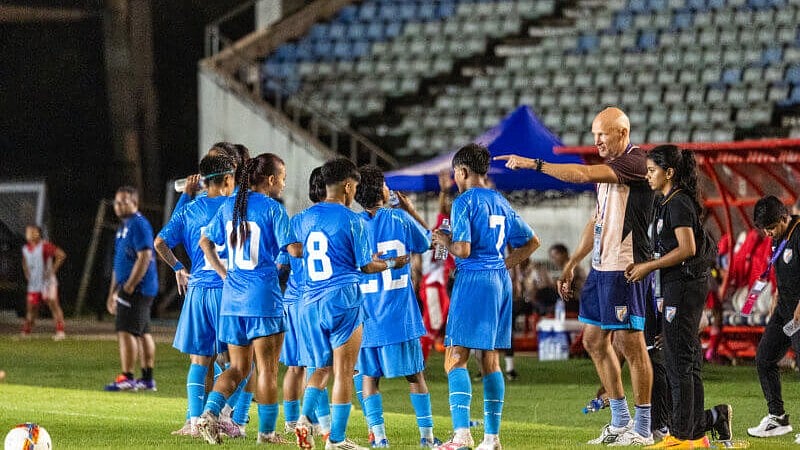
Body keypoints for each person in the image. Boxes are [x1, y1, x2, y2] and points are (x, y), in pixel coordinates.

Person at [496, 107, 655, 445]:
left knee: (631, 345)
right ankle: (619, 419)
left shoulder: (635, 162)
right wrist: (572, 263)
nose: (596, 140)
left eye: (602, 134)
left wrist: (534, 164)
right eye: (594, 134)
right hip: (601, 266)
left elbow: (580, 176)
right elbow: (595, 222)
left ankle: (643, 428)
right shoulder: (612, 171)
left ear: (622, 134)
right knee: (593, 341)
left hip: (625, 266)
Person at [431, 143, 540, 450]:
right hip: (499, 281)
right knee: (489, 360)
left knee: (455, 358)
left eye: (455, 172)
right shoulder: (500, 200)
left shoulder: (464, 201)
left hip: (475, 279)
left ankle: (462, 436)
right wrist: (503, 265)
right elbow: (532, 242)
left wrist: (444, 239)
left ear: (462, 172)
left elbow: (462, 249)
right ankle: (492, 439)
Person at [292, 158, 404, 450]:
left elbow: (293, 250)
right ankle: (337, 440)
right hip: (342, 299)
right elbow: (366, 266)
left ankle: (304, 420)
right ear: (348, 185)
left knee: (319, 368)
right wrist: (392, 262)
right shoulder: (353, 220)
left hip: (308, 302)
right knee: (344, 371)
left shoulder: (301, 218)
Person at [625, 145, 732, 447]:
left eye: (651, 170)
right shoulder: (667, 201)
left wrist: (648, 267)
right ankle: (694, 433)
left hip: (685, 286)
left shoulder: (679, 203)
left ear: (669, 172)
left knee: (679, 362)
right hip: (677, 286)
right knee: (683, 359)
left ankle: (682, 436)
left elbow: (687, 249)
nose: (647, 176)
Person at [195, 153, 299, 445]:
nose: (283, 184)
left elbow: (205, 241)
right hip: (263, 299)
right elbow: (293, 251)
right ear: (270, 179)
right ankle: (266, 434)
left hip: (232, 300)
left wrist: (224, 274)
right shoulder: (273, 209)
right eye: (282, 178)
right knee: (267, 370)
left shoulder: (229, 206)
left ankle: (209, 414)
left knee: (238, 368)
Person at [353, 165, 440, 448]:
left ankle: (379, 439)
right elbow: (430, 242)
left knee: (369, 378)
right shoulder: (399, 218)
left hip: (366, 317)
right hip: (399, 315)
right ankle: (426, 438)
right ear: (382, 190)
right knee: (415, 376)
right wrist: (411, 210)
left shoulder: (352, 224)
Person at [153, 154, 235, 436]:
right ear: (227, 179)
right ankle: (224, 418)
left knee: (200, 361)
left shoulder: (190, 209)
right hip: (229, 290)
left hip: (198, 290)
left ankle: (193, 422)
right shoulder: (237, 207)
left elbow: (160, 241)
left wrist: (178, 266)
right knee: (236, 361)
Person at [279, 167, 333, 437]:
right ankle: (317, 424)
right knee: (319, 364)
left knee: (294, 366)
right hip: (316, 299)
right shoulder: (336, 220)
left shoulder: (296, 220)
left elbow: (281, 263)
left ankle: (291, 422)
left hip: (291, 299)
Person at [746, 195, 800, 441]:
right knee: (764, 358)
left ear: (783, 218)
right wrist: (778, 297)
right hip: (785, 311)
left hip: (799, 311)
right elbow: (784, 271)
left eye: (771, 228)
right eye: (764, 229)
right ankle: (777, 418)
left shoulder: (798, 235)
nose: (768, 234)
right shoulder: (778, 239)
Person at [104, 186, 159, 392]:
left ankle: (127, 377)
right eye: (117, 202)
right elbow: (119, 263)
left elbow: (144, 256)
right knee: (142, 331)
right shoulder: (123, 227)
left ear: (135, 203)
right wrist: (112, 292)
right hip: (130, 288)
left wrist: (129, 286)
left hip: (137, 288)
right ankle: (147, 379)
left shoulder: (139, 224)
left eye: (124, 201)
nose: (118, 206)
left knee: (126, 330)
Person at [21, 224, 67, 339]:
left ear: (38, 233)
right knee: (31, 307)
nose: (29, 234)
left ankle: (60, 331)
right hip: (34, 283)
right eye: (28, 232)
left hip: (47, 282)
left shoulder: (45, 246)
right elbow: (24, 262)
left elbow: (61, 255)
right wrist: (27, 273)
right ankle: (27, 330)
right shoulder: (26, 248)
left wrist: (52, 271)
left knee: (53, 303)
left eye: (32, 232)